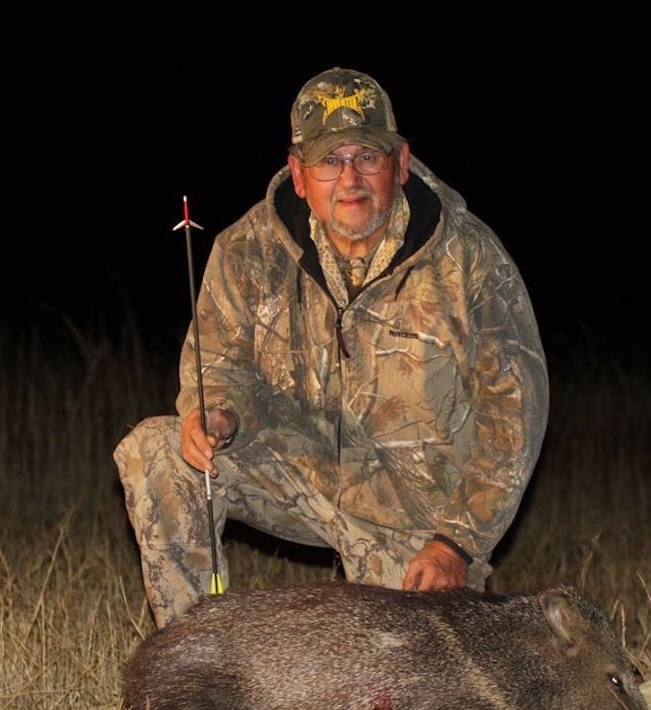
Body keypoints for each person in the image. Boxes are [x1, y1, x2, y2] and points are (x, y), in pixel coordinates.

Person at [114, 67, 549, 628]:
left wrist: (457, 543)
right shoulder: (247, 249)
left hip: (415, 515)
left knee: (405, 673)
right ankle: (191, 652)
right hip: (297, 468)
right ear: (298, 174)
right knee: (157, 451)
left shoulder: (469, 259)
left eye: (367, 156)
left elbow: (514, 416)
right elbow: (219, 366)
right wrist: (216, 413)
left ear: (401, 162)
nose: (349, 178)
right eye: (329, 161)